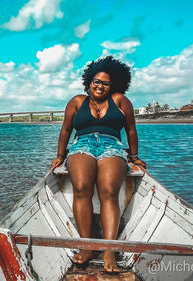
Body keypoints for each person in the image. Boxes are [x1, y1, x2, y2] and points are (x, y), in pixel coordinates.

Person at [51, 56, 146, 273]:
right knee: (82, 187)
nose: (100, 86)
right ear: (88, 82)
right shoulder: (76, 101)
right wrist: (59, 155)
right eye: (96, 81)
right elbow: (66, 130)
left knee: (108, 191)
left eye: (105, 83)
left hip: (111, 146)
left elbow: (131, 130)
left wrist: (133, 157)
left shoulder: (121, 101)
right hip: (81, 146)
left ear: (113, 85)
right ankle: (87, 247)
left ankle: (108, 250)